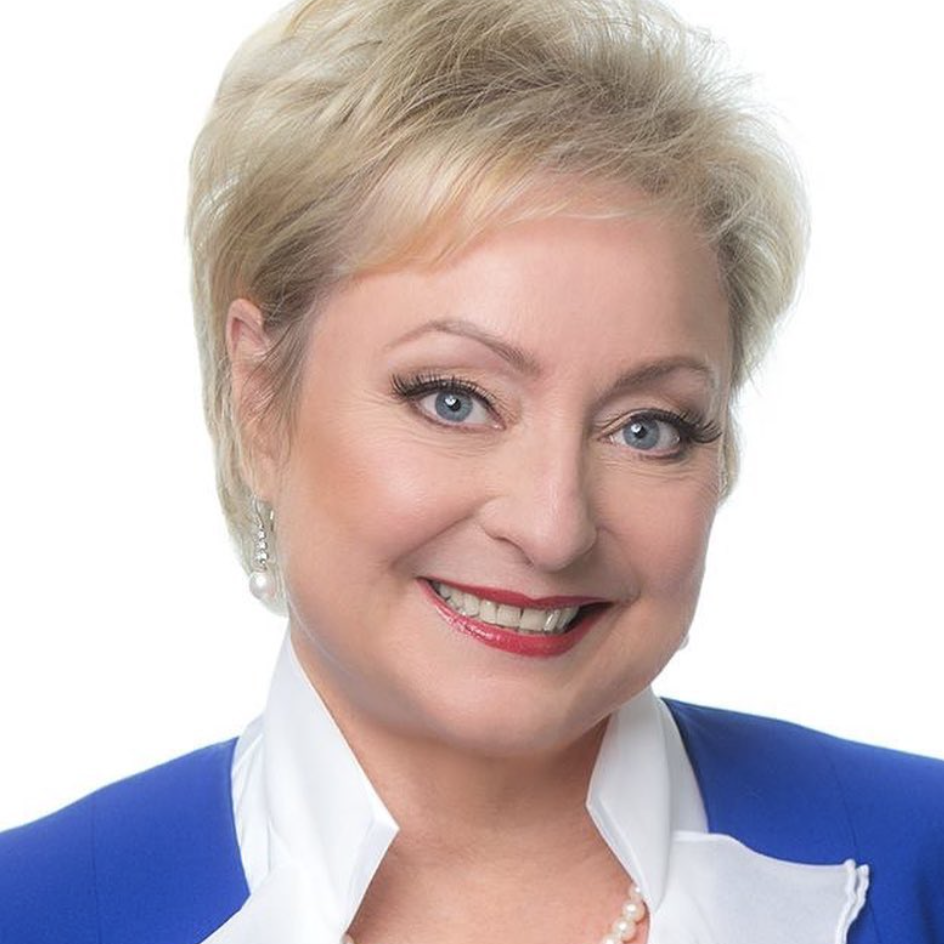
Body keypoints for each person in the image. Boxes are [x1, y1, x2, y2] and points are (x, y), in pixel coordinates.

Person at [1, 0, 942, 942]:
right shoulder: (33, 910)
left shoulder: (923, 860)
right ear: (260, 401)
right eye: (453, 399)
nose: (552, 526)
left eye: (646, 428)